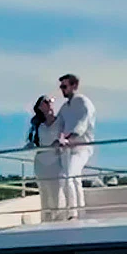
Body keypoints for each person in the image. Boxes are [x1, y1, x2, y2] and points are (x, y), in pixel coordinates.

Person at [39, 73, 97, 214]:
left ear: (74, 86)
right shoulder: (65, 107)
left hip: (82, 148)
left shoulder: (83, 103)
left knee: (66, 175)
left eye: (64, 86)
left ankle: (72, 213)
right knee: (74, 178)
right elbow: (57, 124)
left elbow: (82, 125)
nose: (62, 89)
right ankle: (80, 210)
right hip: (67, 149)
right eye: (61, 87)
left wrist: (68, 138)